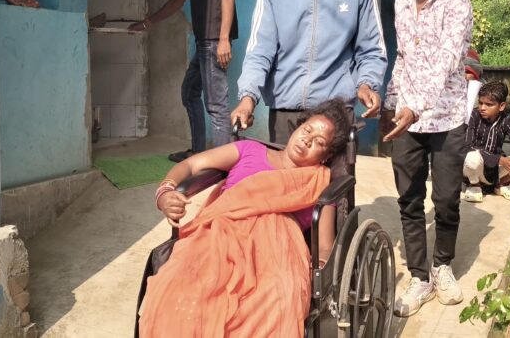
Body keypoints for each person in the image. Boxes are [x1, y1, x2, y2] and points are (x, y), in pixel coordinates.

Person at [139, 100, 352, 337]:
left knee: (273, 306)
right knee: (181, 292)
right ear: (298, 128)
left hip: (278, 255)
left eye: (319, 142)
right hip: (218, 237)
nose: (306, 140)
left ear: (326, 155)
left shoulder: (320, 182)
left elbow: (324, 246)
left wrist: (317, 269)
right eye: (307, 130)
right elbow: (191, 164)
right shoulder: (250, 150)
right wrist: (165, 192)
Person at [231, 0, 387, 167]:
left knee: (334, 189)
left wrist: (367, 84)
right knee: (286, 187)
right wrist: (247, 98)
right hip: (285, 112)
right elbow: (260, 51)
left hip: (335, 113)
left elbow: (371, 50)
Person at [380, 0, 473, 317]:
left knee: (447, 198)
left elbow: (448, 61)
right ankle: (420, 277)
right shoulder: (402, 0)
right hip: (406, 118)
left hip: (445, 116)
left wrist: (415, 106)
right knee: (409, 198)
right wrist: (391, 102)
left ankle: (442, 266)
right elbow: (404, 56)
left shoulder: (457, 3)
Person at [130, 0, 238, 162]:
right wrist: (146, 23)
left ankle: (223, 166)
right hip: (204, 42)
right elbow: (177, 1)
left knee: (217, 106)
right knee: (189, 92)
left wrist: (224, 40)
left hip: (213, 41)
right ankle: (198, 152)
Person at [461, 81, 510, 202]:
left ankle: (501, 184)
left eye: (489, 104)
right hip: (475, 169)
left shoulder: (506, 119)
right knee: (471, 157)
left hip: (496, 171)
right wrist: (500, 160)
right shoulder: (473, 116)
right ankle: (474, 185)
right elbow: (467, 147)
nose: (482, 108)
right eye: (480, 103)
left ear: (501, 106)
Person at [463, 49, 483, 123]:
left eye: (467, 72)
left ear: (477, 73)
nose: (463, 76)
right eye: (459, 72)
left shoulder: (487, 93)